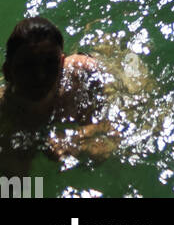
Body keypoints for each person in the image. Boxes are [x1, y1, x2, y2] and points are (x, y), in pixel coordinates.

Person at [0, 17, 115, 170]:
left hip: (109, 67)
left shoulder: (83, 74)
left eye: (50, 63)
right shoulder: (5, 116)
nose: (40, 75)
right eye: (28, 66)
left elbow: (114, 132)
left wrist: (76, 138)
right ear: (7, 71)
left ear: (61, 63)